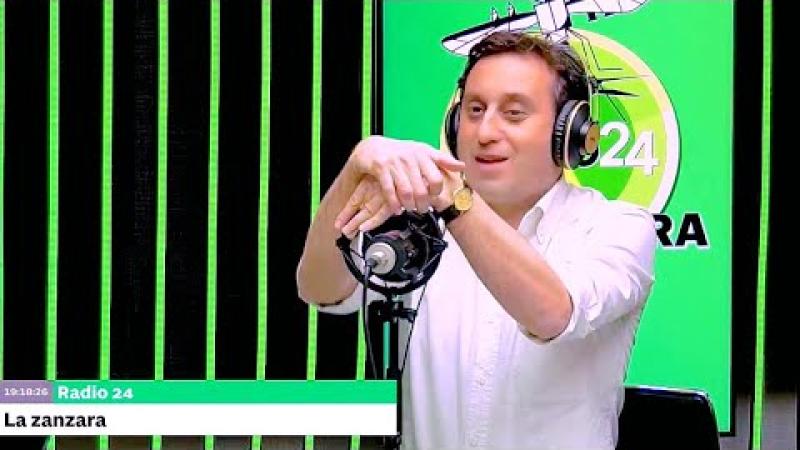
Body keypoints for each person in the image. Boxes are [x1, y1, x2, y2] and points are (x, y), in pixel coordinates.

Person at [296, 31, 657, 450]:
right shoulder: (419, 226)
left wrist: (457, 202)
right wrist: (356, 167)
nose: (485, 132)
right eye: (474, 110)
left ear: (571, 133)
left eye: (514, 114)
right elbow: (318, 288)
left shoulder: (617, 227)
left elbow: (554, 314)